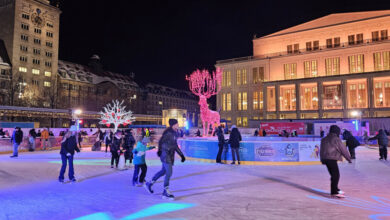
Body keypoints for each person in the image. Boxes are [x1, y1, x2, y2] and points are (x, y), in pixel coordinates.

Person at [145, 119, 186, 200]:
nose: (178, 125)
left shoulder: (175, 133)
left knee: (163, 171)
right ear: (173, 125)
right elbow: (161, 141)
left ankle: (150, 183)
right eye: (177, 124)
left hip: (170, 155)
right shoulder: (168, 133)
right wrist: (160, 151)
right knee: (169, 172)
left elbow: (175, 146)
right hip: (165, 154)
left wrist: (182, 155)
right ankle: (165, 191)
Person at [320, 125, 352, 198]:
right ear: (337, 131)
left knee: (333, 175)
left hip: (325, 158)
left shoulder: (324, 139)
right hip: (332, 158)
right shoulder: (336, 139)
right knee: (336, 175)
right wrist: (349, 159)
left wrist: (322, 159)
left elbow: (322, 150)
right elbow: (343, 149)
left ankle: (335, 189)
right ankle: (334, 192)